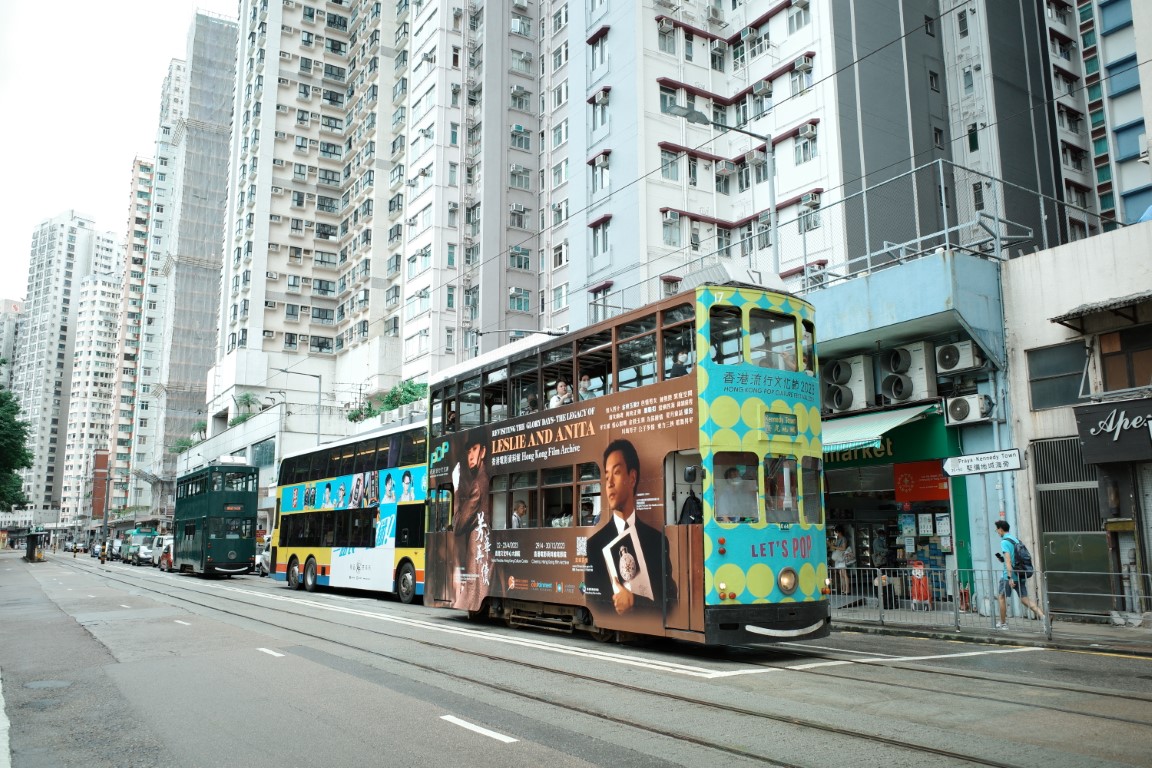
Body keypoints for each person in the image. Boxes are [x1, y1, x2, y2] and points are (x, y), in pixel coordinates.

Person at [586, 439, 676, 619]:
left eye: (617, 472)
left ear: (632, 478)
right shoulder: (594, 545)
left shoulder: (657, 540)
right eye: (606, 476)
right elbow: (594, 605)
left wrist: (635, 602)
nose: (609, 483)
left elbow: (671, 602)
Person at [452, 433, 492, 612]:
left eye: (474, 450)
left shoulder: (477, 486)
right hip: (483, 550)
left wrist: (455, 488)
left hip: (478, 552)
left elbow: (458, 525)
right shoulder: (486, 480)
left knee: (474, 596)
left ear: (482, 452)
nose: (471, 456)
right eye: (469, 451)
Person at [995, 521, 1045, 629]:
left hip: (1009, 575)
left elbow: (1008, 561)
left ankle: (1003, 623)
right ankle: (1043, 617)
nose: (997, 532)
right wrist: (1002, 559)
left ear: (1000, 529)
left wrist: (1009, 577)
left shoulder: (1004, 542)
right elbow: (1014, 558)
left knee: (1002, 597)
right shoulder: (1015, 540)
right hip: (1020, 573)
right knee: (1024, 599)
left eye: (997, 529)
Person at [830, 525, 851, 595]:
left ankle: (847, 590)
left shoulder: (843, 539)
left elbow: (843, 548)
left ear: (838, 531)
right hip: (838, 559)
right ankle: (843, 589)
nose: (835, 533)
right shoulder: (838, 539)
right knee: (841, 574)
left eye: (835, 531)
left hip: (842, 558)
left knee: (844, 574)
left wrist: (835, 547)